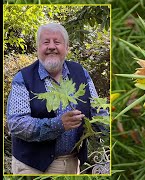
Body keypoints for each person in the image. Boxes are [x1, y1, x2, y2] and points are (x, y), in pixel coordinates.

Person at [6, 22, 109, 174]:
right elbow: (16, 123)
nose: (51, 46)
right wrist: (58, 124)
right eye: (46, 42)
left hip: (72, 164)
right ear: (38, 48)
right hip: (32, 168)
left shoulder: (81, 73)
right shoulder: (23, 78)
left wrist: (113, 128)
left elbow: (98, 111)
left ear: (66, 48)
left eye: (57, 42)